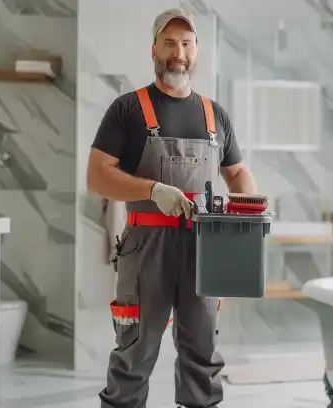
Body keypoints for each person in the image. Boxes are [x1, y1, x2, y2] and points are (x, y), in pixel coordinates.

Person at [86, 8, 258, 408]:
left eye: (186, 43)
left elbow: (238, 173)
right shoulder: (128, 109)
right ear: (154, 49)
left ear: (197, 51)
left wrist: (250, 212)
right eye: (169, 43)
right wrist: (153, 189)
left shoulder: (216, 116)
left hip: (206, 246)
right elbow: (97, 176)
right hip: (147, 246)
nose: (178, 52)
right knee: (135, 352)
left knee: (202, 353)